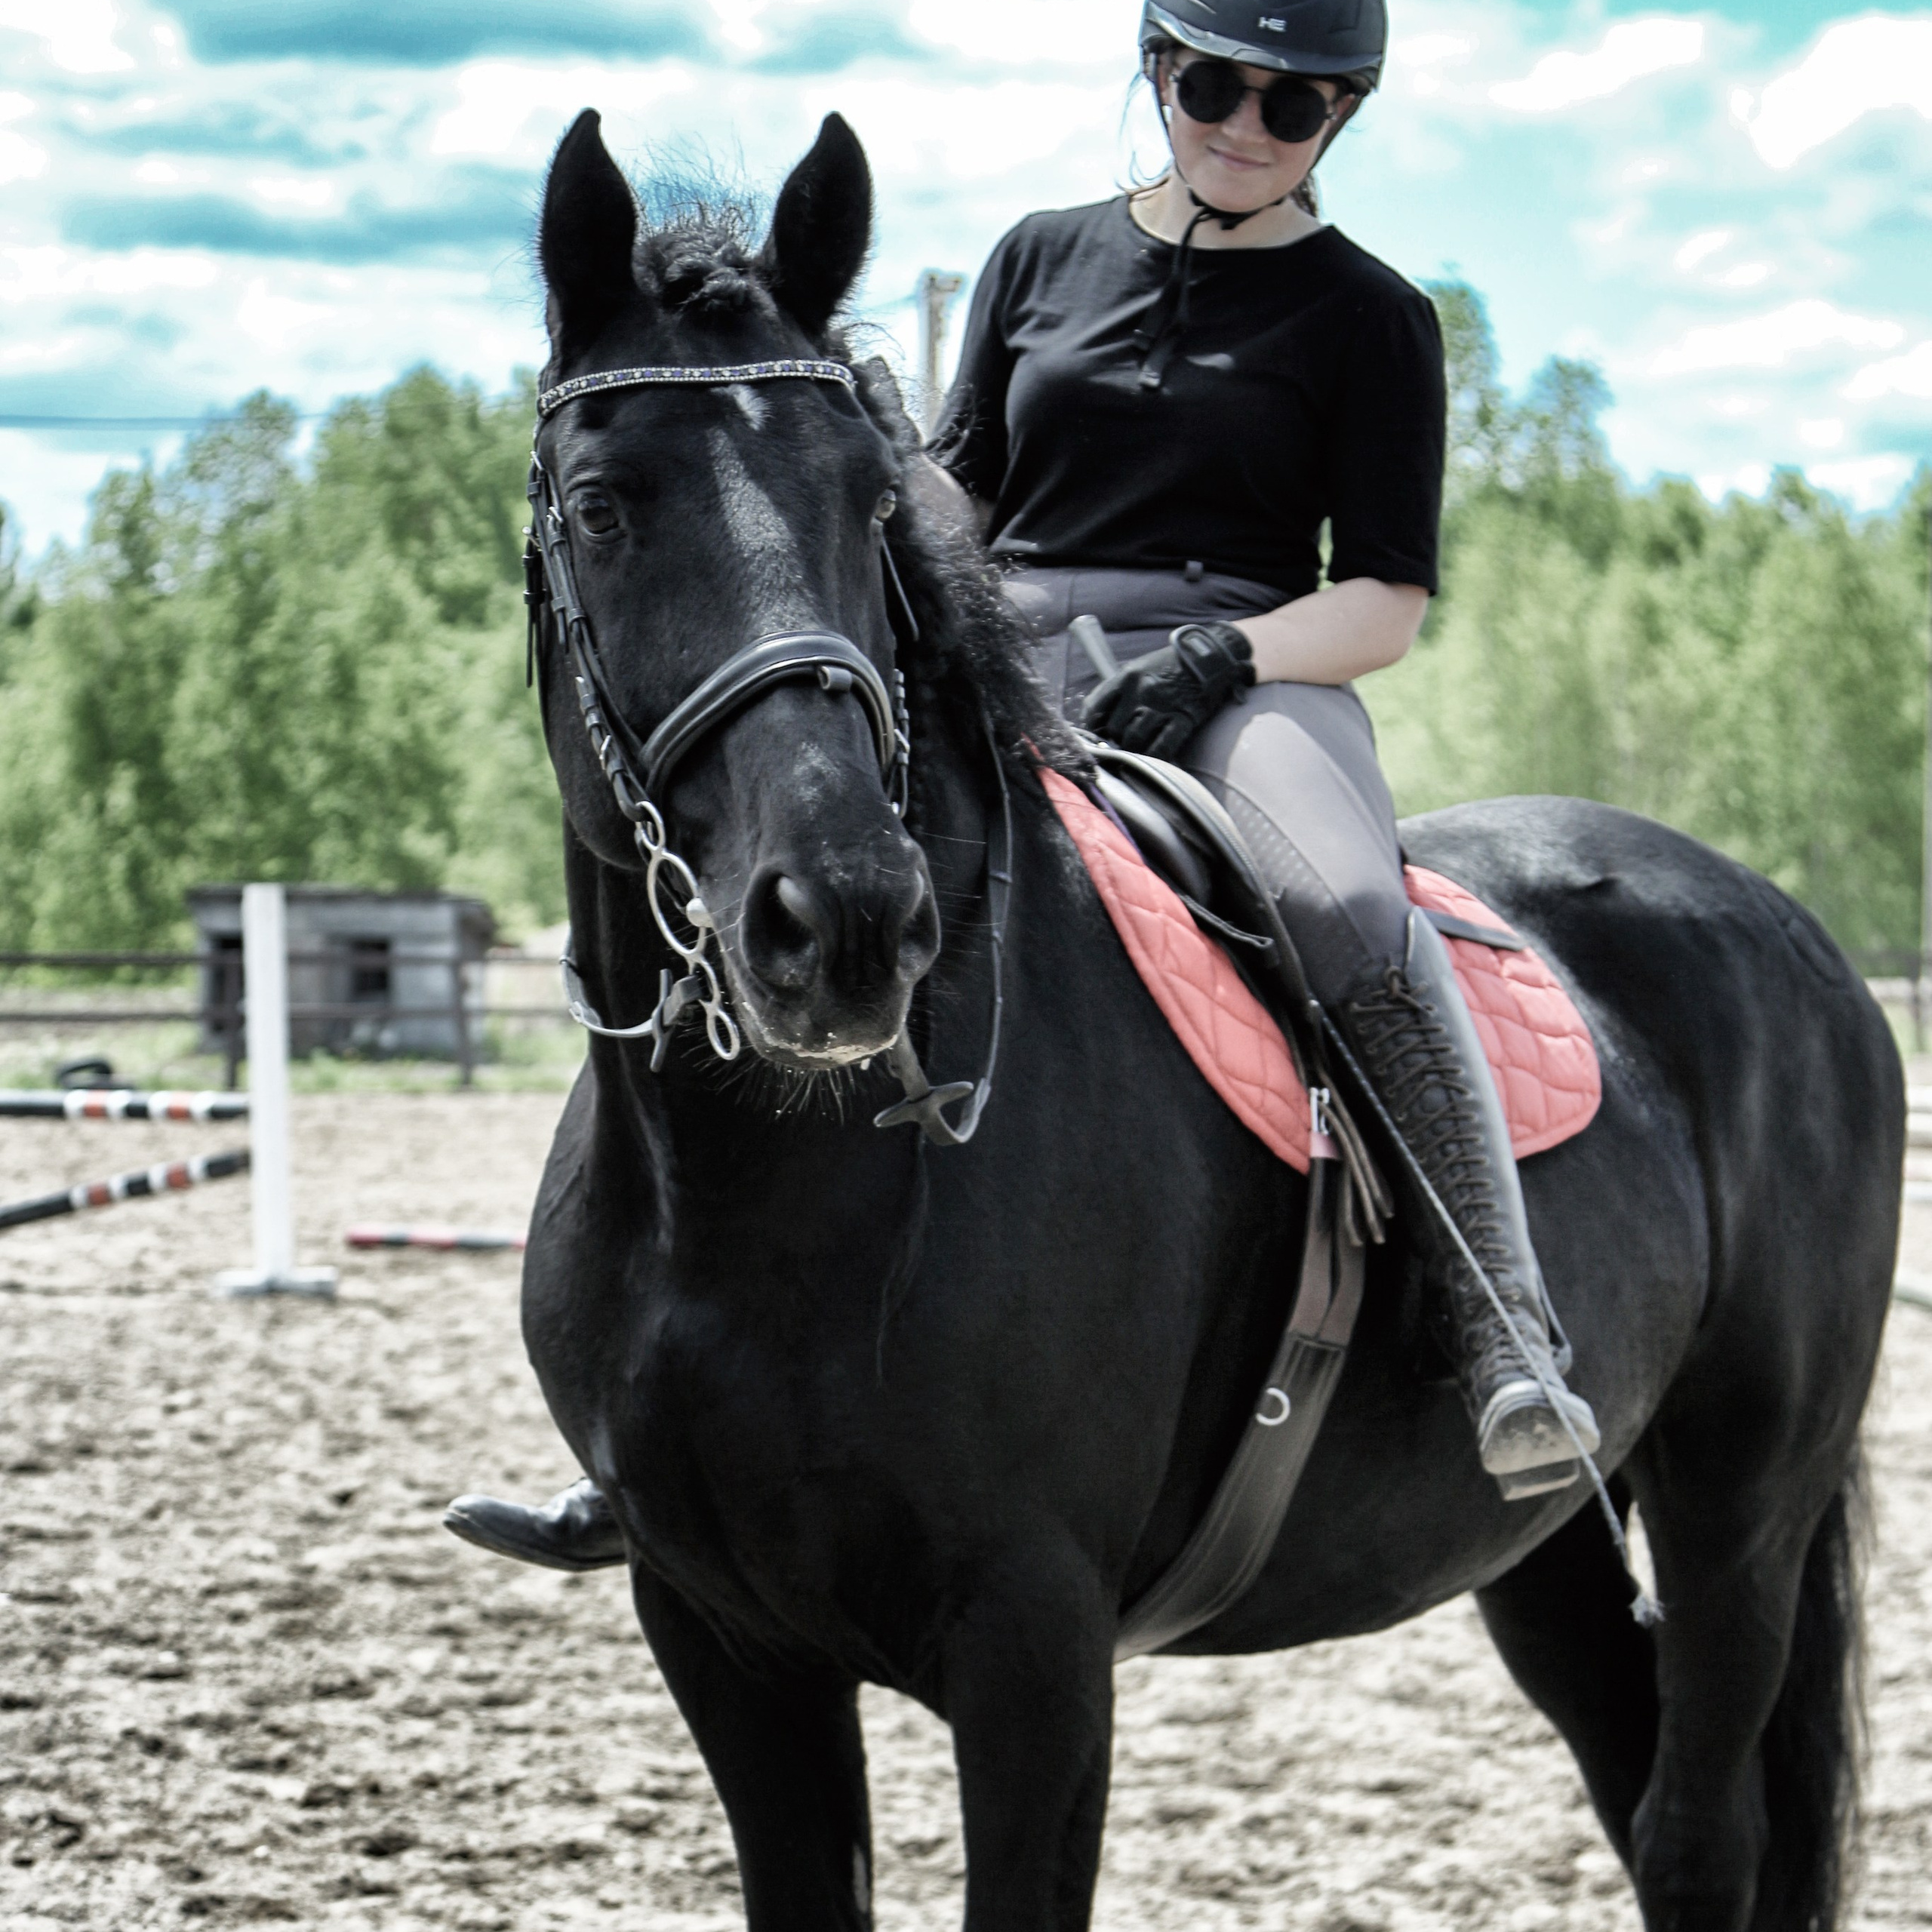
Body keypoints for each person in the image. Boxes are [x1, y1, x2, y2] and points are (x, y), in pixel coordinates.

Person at [445, 0, 1598, 1575]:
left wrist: (1222, 656)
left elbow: (1384, 599)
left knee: (1343, 906)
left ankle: (1497, 1327)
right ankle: (655, 1415)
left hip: (1251, 670)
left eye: (1294, 107)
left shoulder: (1371, 315)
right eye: (1212, 85)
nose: (1243, 126)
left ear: (1340, 121)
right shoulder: (1038, 257)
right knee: (780, 852)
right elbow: (954, 485)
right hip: (999, 632)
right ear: (1156, 73)